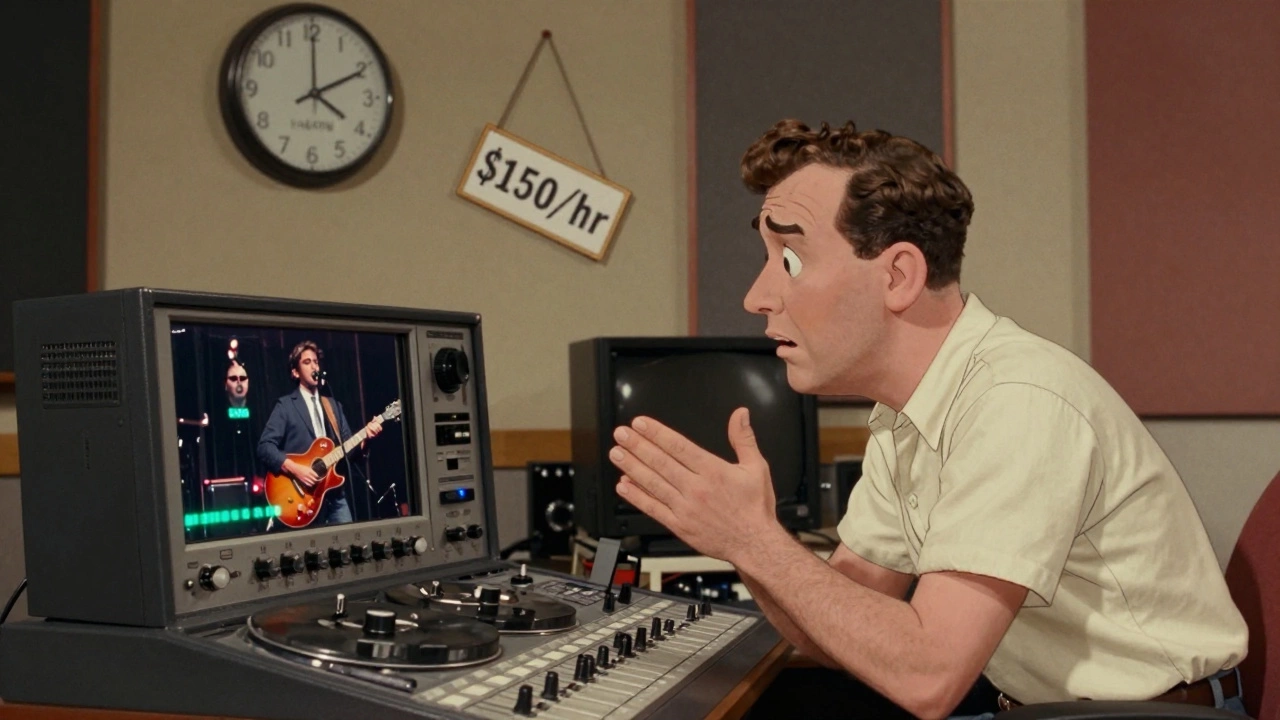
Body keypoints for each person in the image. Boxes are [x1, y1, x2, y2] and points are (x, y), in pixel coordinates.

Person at [606, 120, 1248, 719]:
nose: (757, 295)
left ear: (899, 276)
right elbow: (842, 624)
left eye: (790, 261)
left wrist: (754, 540)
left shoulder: (1016, 401)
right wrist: (744, 541)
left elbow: (928, 678)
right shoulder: (905, 413)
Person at [257, 340, 382, 526]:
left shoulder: (333, 406)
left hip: (334, 494)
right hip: (303, 496)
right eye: (307, 362)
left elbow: (349, 452)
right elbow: (264, 447)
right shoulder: (286, 406)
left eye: (316, 361)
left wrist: (366, 439)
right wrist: (296, 469)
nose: (314, 366)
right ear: (295, 372)